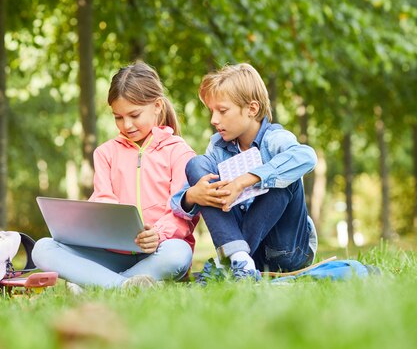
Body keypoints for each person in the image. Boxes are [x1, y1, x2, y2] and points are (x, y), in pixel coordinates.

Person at [33, 61, 198, 290]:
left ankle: (96, 282)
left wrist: (158, 234)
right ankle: (125, 286)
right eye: (118, 117)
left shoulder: (179, 151)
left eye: (134, 115)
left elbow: (183, 213)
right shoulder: (105, 153)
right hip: (112, 252)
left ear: (157, 106)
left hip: (160, 250)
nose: (126, 125)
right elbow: (103, 201)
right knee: (42, 248)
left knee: (179, 253)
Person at [171, 63, 318, 281]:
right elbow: (178, 202)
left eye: (222, 110)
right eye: (212, 111)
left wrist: (244, 181)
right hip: (248, 253)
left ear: (252, 109)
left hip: (287, 251)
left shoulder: (274, 139)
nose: (214, 119)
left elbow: (307, 157)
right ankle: (238, 259)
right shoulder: (218, 148)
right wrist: (193, 196)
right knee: (196, 164)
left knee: (284, 178)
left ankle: (230, 264)